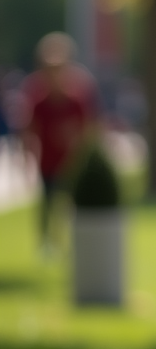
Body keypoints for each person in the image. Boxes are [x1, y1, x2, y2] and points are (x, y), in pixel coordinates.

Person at [20, 32, 99, 254]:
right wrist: (26, 160)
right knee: (47, 205)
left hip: (72, 165)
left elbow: (89, 132)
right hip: (47, 164)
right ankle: (46, 244)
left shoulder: (77, 101)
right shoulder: (38, 101)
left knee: (71, 207)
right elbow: (29, 132)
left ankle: (70, 243)